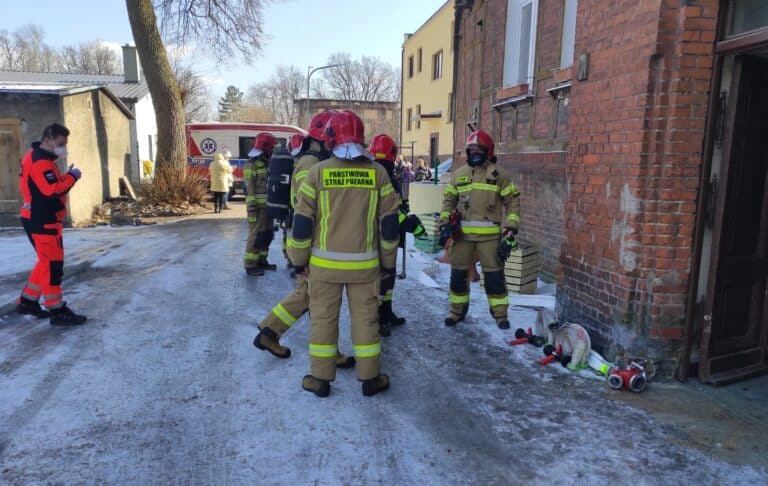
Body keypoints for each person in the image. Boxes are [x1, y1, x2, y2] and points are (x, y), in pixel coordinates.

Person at [289, 110, 400, 398]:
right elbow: (389, 227)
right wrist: (388, 264)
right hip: (365, 268)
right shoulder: (378, 174)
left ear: (330, 138)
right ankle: (371, 378)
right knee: (366, 321)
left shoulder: (318, 172)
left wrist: (298, 261)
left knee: (323, 321)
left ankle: (320, 379)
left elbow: (302, 224)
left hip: (324, 268)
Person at [253, 110, 356, 369]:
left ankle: (271, 332)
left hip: (307, 239)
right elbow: (305, 208)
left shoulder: (311, 160)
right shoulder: (311, 163)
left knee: (312, 297)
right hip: (308, 241)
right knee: (313, 297)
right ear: (325, 137)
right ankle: (271, 332)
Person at [440, 130, 521, 329]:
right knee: (458, 276)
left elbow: (512, 202)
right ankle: (456, 312)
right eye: (472, 149)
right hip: (462, 237)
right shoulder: (459, 175)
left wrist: (511, 226)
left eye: (479, 149)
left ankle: (500, 315)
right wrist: (444, 222)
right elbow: (448, 201)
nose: (475, 152)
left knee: (494, 277)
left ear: (488, 151)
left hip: (490, 239)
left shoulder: (500, 176)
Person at [16, 123, 87, 325]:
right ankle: (56, 310)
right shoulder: (41, 163)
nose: (63, 148)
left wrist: (65, 177)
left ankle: (28, 301)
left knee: (45, 262)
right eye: (60, 144)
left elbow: (47, 186)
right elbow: (53, 190)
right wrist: (72, 176)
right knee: (52, 266)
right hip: (42, 220)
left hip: (39, 217)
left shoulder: (37, 156)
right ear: (47, 140)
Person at [369, 133, 425, 336]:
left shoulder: (376, 172)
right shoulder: (384, 176)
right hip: (381, 236)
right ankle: (378, 319)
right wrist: (410, 223)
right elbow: (387, 213)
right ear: (392, 154)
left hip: (385, 235)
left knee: (388, 276)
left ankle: (386, 311)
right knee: (382, 277)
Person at [243, 133, 276, 276]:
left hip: (267, 208)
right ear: (265, 146)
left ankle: (262, 260)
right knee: (256, 235)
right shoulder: (252, 163)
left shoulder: (267, 162)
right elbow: (249, 188)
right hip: (256, 208)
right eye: (272, 146)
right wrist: (251, 207)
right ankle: (250, 265)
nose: (273, 149)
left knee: (267, 234)